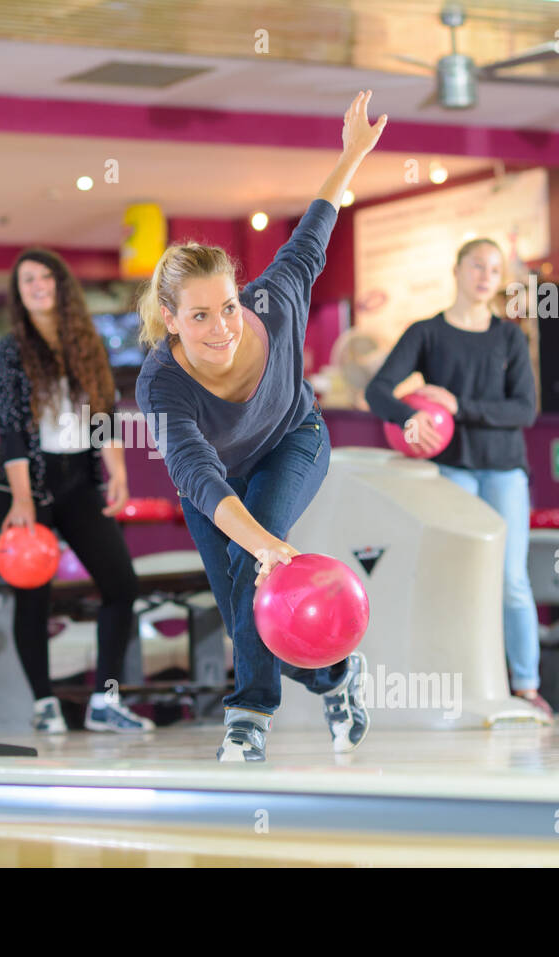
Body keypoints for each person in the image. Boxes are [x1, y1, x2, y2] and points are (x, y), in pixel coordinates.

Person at [136, 91, 386, 762]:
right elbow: (196, 473)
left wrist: (351, 155)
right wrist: (262, 542)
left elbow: (315, 227)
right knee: (246, 601)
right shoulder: (162, 384)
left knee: (253, 571)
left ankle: (248, 716)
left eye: (226, 306)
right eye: (198, 317)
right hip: (217, 480)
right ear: (169, 318)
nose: (220, 328)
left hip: (293, 443)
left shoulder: (275, 305)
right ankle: (336, 678)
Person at [364, 239, 549, 719]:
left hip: (505, 471)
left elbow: (524, 410)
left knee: (510, 581)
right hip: (450, 473)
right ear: (457, 270)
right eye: (476, 266)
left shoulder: (510, 337)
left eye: (494, 268)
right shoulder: (426, 332)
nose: (485, 275)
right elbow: (377, 389)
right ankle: (460, 685)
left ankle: (526, 688)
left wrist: (457, 405)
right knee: (455, 583)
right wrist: (410, 417)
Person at [0, 248, 150, 733]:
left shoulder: (88, 343)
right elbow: (10, 429)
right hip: (26, 485)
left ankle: (105, 701)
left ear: (61, 284)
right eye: (26, 281)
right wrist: (21, 500)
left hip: (80, 479)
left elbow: (103, 414)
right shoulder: (9, 350)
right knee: (33, 594)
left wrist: (117, 470)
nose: (36, 286)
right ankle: (44, 704)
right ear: (18, 295)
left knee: (121, 585)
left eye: (44, 277)